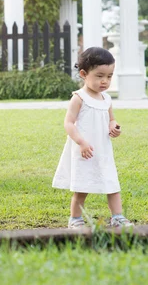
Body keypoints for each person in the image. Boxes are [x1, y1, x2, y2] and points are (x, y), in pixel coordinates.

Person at [52, 47, 133, 228]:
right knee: (82, 186)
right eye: (99, 76)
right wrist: (81, 142)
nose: (105, 81)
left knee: (112, 183)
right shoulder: (79, 98)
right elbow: (69, 123)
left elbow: (111, 119)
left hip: (103, 150)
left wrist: (114, 127)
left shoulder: (106, 99)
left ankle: (117, 217)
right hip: (85, 150)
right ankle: (75, 219)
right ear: (83, 73)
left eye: (109, 76)